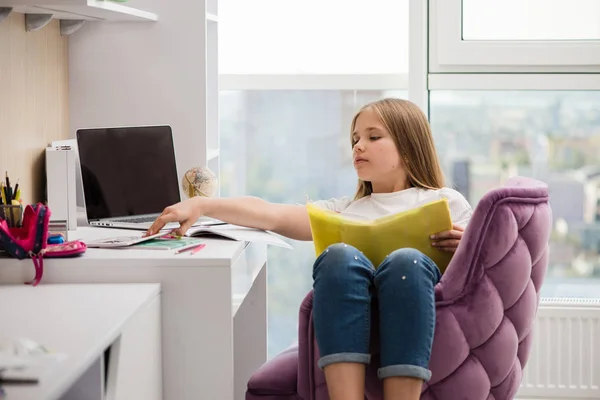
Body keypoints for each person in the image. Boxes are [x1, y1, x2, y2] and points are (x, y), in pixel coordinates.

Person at [147, 98, 473, 400]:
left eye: (374, 137)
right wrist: (202, 204)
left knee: (407, 261)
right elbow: (271, 213)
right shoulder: (345, 209)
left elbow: (475, 277)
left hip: (416, 317)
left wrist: (467, 247)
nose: (359, 145)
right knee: (338, 255)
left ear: (407, 144)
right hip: (348, 316)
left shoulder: (445, 202)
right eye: (355, 139)